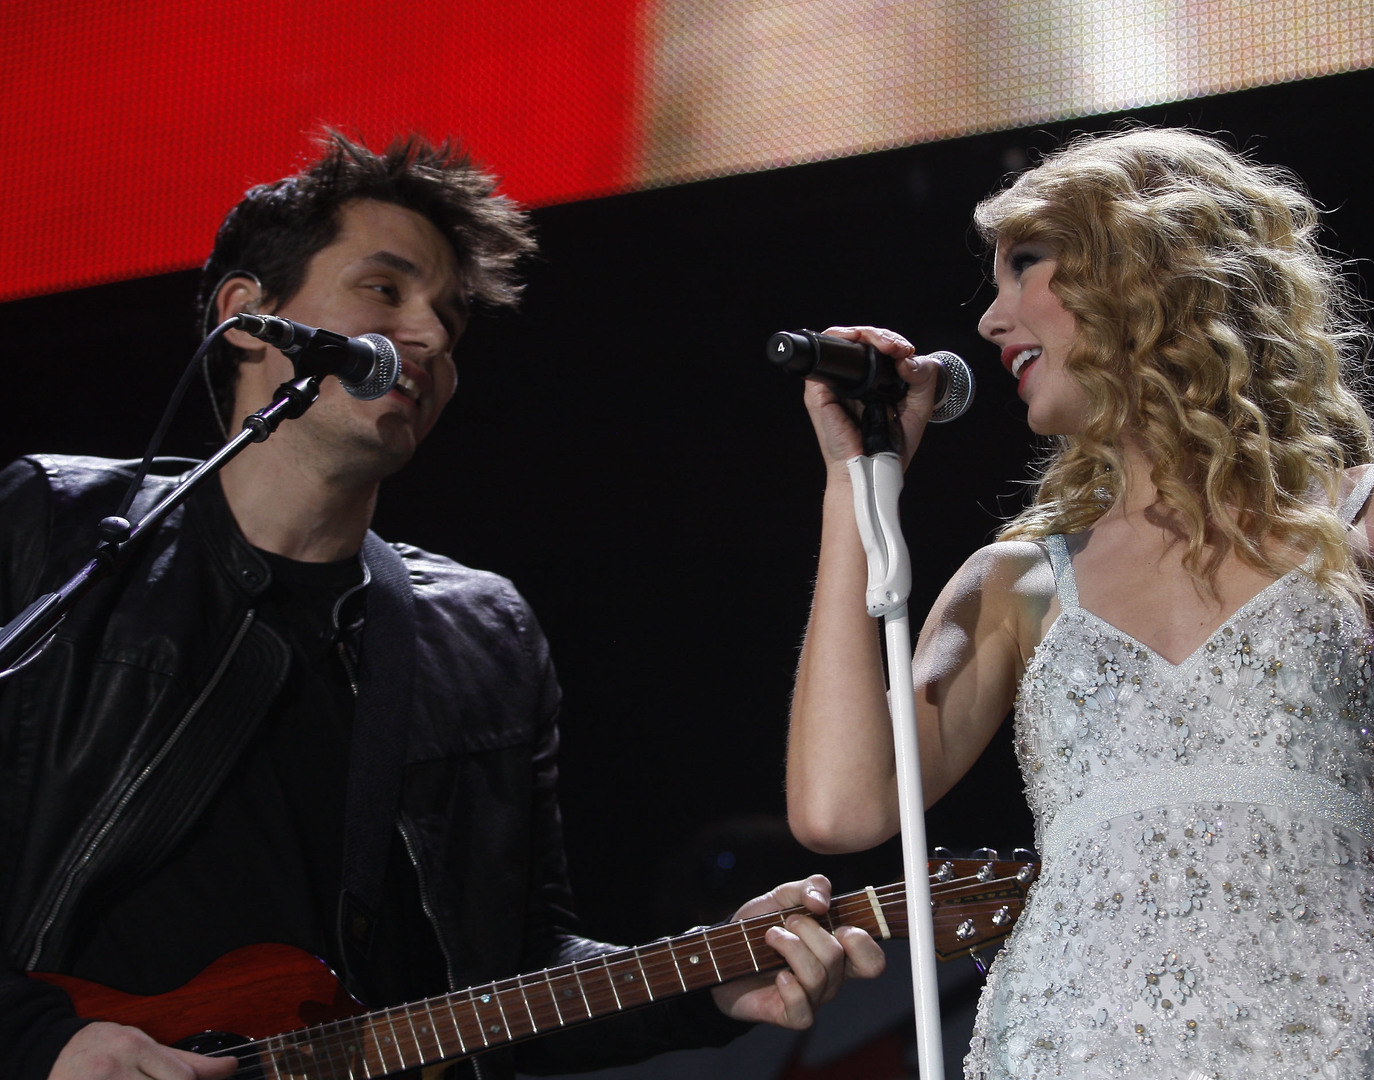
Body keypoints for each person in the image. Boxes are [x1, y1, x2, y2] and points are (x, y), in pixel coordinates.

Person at [0, 131, 883, 1080]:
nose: (424, 336)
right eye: (384, 290)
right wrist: (40, 1040)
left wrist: (705, 984)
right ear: (247, 318)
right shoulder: (55, 523)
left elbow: (511, 972)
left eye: (449, 322)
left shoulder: (479, 633)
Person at [784, 128, 1374, 1079]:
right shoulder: (1019, 581)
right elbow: (841, 808)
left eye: (1025, 265)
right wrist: (853, 489)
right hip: (1065, 1048)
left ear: (1146, 263)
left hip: (1328, 1046)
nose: (990, 321)